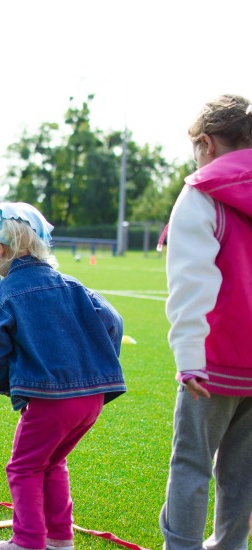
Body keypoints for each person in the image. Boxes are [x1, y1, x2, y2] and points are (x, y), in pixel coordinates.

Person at [0, 202, 126, 550]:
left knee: (23, 468)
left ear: (0, 249)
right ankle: (59, 538)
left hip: (51, 401)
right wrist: (98, 367)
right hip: (91, 401)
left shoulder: (3, 293)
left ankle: (27, 542)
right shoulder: (73, 285)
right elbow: (114, 321)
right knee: (52, 462)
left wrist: (8, 382)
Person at [159, 94, 252, 550]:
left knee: (191, 465)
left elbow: (191, 283)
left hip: (214, 362)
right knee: (243, 473)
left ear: (207, 143)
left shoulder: (201, 193)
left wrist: (190, 358)